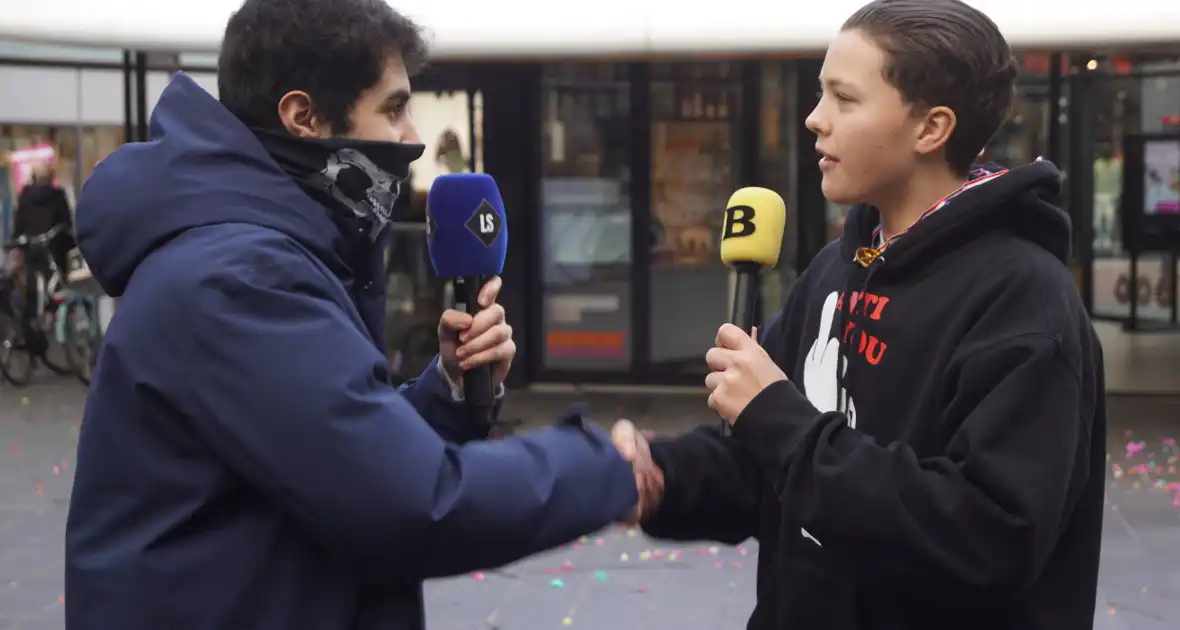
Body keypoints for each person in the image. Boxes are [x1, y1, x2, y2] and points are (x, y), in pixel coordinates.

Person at [65, 1, 643, 629]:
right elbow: (406, 503)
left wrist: (449, 392)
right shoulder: (238, 276)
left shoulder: (261, 249)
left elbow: (326, 457)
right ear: (303, 116)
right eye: (394, 107)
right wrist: (601, 469)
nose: (412, 136)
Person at [613, 1, 1107, 629]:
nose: (814, 120)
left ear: (931, 128)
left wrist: (778, 420)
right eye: (822, 95)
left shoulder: (1025, 302)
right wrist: (657, 477)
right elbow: (771, 468)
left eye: (845, 99)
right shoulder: (833, 270)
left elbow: (989, 537)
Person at [11, 163, 76, 352]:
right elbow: (66, 223)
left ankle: (33, 325)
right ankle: (50, 315)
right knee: (60, 284)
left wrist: (18, 242)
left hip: (32, 248)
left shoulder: (25, 196)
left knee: (33, 286)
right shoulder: (58, 196)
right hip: (54, 248)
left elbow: (19, 222)